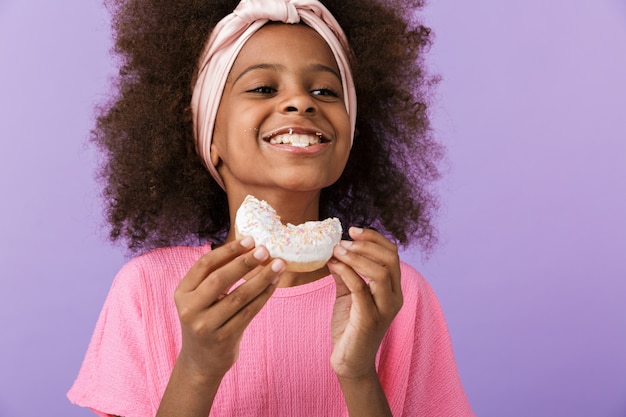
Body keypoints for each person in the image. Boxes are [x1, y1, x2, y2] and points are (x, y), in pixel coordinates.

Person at [68, 0, 475, 416]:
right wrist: (197, 369)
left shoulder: (393, 294)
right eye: (263, 88)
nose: (301, 101)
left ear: (351, 135)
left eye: (325, 91)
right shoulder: (148, 290)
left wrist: (357, 373)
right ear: (210, 134)